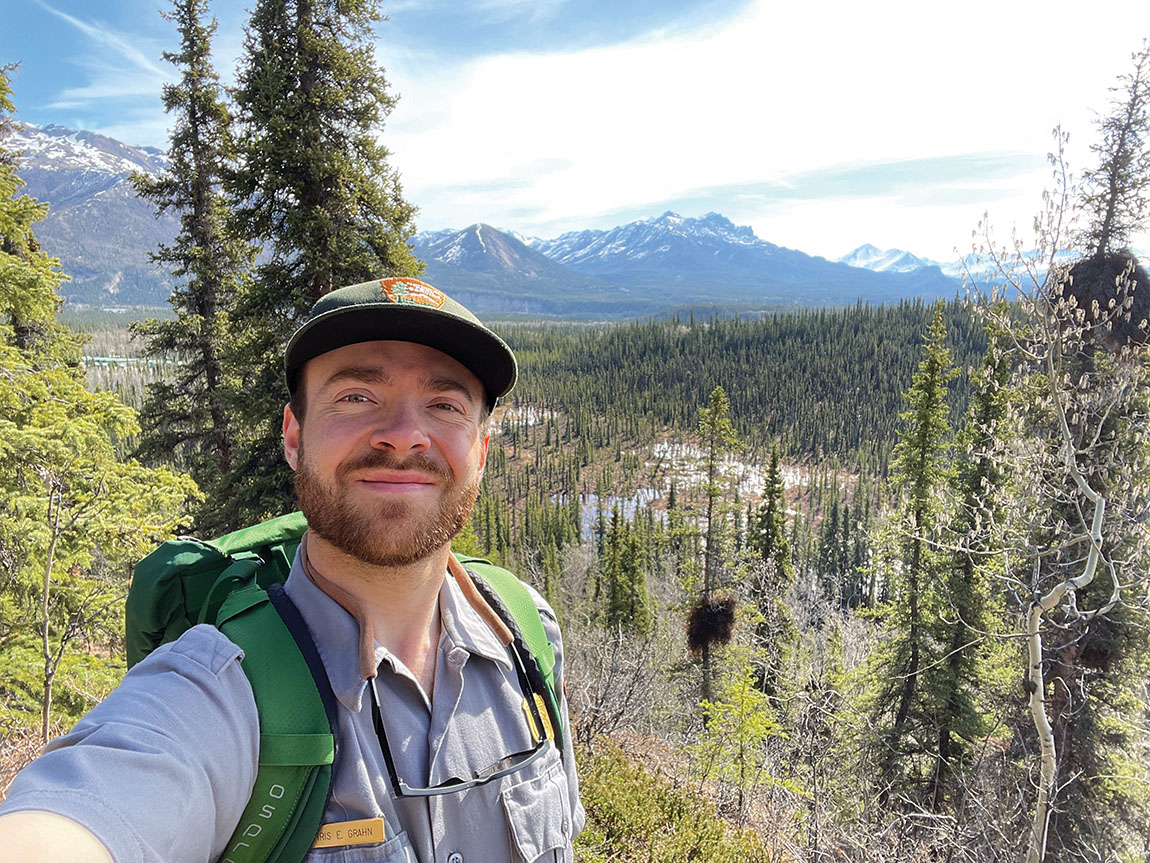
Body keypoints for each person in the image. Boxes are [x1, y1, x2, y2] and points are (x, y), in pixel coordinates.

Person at [0, 277, 584, 862]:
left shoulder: (529, 635)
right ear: (294, 436)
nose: (405, 436)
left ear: (479, 453)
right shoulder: (216, 691)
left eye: (445, 405)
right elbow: (78, 814)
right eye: (357, 397)